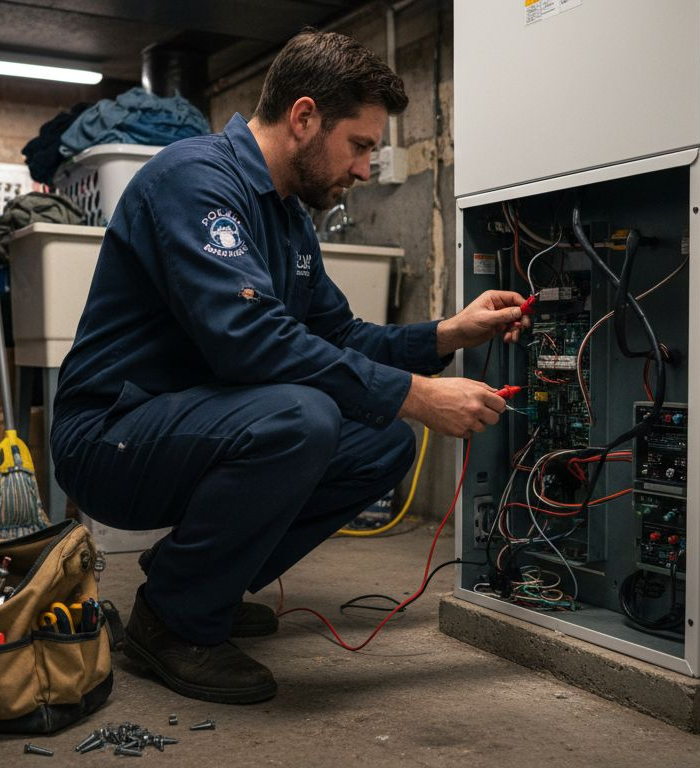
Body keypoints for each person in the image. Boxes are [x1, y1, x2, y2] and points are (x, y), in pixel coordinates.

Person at [50, 29, 529, 704]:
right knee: (302, 416)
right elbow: (250, 340)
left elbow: (340, 335)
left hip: (192, 426)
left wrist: (448, 333)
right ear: (304, 118)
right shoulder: (196, 180)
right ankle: (171, 623)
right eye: (360, 145)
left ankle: (194, 579)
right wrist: (417, 394)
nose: (365, 169)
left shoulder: (290, 221)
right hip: (110, 435)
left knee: (383, 441)